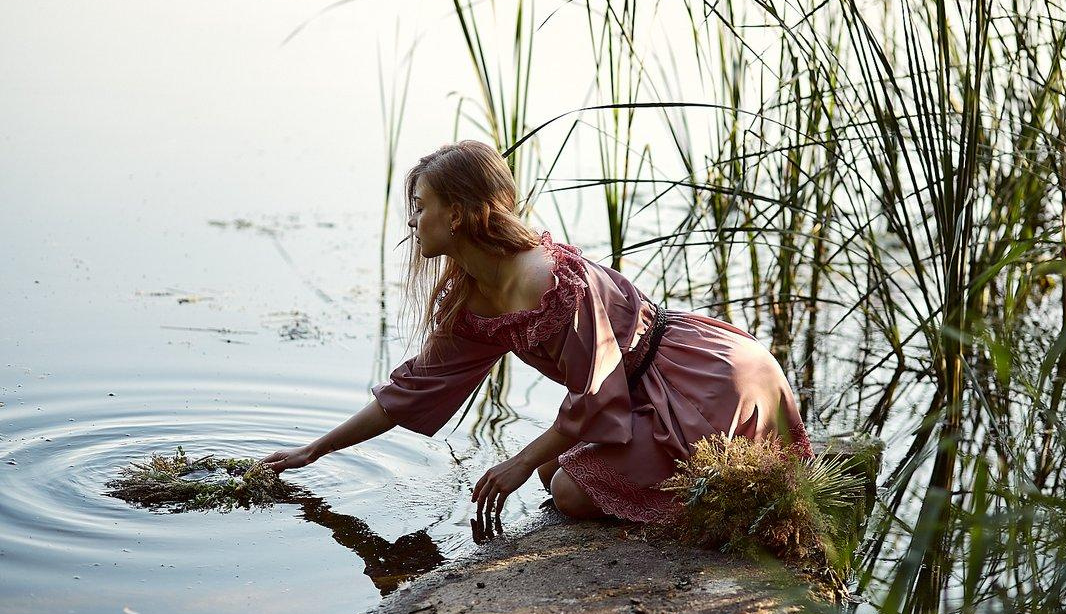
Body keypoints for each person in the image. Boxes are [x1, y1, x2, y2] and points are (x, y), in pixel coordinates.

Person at [260, 140, 812, 523]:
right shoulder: (473, 298)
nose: (412, 221)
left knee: (565, 484)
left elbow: (596, 390)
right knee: (555, 468)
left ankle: (728, 496)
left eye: (420, 207)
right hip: (642, 392)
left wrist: (519, 459)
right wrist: (316, 450)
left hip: (705, 378)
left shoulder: (552, 280)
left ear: (456, 215)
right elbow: (413, 391)